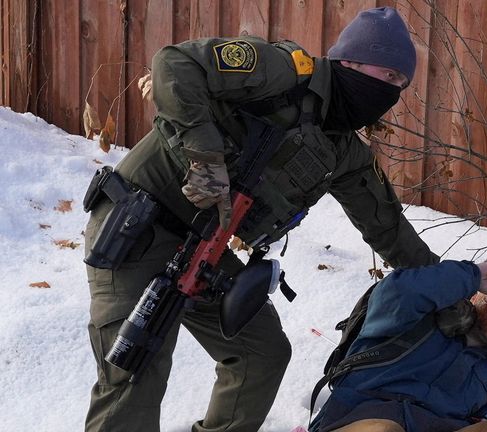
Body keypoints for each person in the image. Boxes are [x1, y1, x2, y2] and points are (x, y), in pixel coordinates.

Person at [83, 7, 440, 432]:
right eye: (388, 76)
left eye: (400, 84)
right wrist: (205, 155)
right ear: (351, 62)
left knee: (262, 354)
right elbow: (175, 62)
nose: (392, 92)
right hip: (138, 226)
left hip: (202, 251)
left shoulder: (343, 151)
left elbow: (388, 228)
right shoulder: (282, 72)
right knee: (135, 368)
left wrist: (450, 287)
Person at [309, 255, 487, 432]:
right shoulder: (411, 317)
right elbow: (400, 290)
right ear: (477, 293)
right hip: (357, 423)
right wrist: (473, 274)